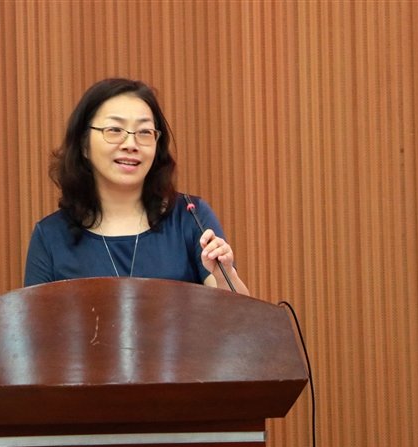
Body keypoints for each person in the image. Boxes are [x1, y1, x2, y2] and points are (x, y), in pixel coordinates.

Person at [24, 78, 250, 295]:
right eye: (115, 130)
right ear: (84, 145)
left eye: (144, 132)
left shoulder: (191, 217)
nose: (131, 144)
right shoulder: (51, 236)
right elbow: (35, 320)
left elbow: (238, 315)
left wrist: (225, 274)